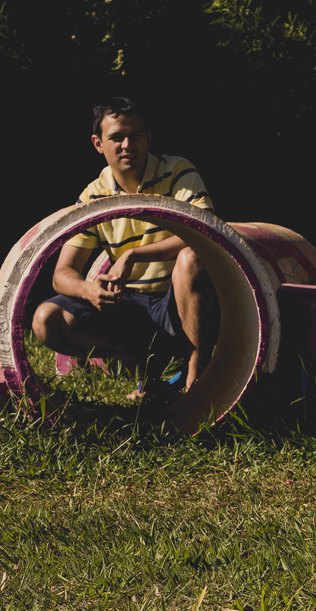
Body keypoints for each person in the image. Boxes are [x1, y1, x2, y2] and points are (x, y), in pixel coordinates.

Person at [31, 96, 216, 399]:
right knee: (45, 319)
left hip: (178, 300)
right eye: (117, 137)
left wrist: (133, 255)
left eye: (135, 135)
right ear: (98, 144)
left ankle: (196, 386)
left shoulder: (177, 171)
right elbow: (62, 273)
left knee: (191, 257)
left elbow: (206, 230)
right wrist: (89, 290)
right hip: (130, 309)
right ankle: (144, 373)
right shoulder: (93, 196)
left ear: (149, 138)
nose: (127, 145)